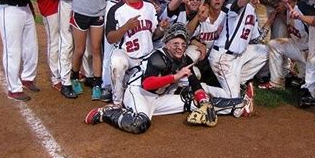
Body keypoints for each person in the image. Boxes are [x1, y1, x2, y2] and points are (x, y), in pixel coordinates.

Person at [84, 23, 254, 134]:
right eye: (176, 44)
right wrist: (175, 77)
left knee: (194, 102)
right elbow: (148, 83)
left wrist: (202, 101)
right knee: (139, 124)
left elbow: (195, 84)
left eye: (183, 44)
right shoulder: (158, 57)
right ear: (167, 43)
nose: (180, 48)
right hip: (139, 93)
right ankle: (107, 113)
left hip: (159, 97)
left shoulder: (184, 60)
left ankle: (239, 104)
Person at [70, 0, 127, 100]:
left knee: (96, 49)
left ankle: (96, 84)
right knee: (79, 50)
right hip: (81, 9)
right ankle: (74, 77)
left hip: (99, 11)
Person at [106, 0, 165, 106]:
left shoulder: (150, 8)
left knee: (157, 90)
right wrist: (125, 27)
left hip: (147, 56)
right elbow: (110, 38)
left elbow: (155, 36)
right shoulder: (116, 9)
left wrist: (161, 28)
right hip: (127, 55)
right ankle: (117, 102)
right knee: (117, 62)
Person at [204, 0, 268, 99]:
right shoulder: (236, 6)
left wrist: (270, 20)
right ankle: (201, 88)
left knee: (264, 50)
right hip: (222, 57)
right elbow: (238, 3)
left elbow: (255, 39)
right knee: (234, 99)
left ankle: (238, 82)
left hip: (237, 56)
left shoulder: (254, 14)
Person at [264, 0, 315, 90]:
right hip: (298, 47)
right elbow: (292, 27)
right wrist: (280, 14)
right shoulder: (287, 9)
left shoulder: (302, 6)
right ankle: (276, 82)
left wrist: (301, 17)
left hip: (312, 52)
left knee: (311, 87)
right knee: (274, 44)